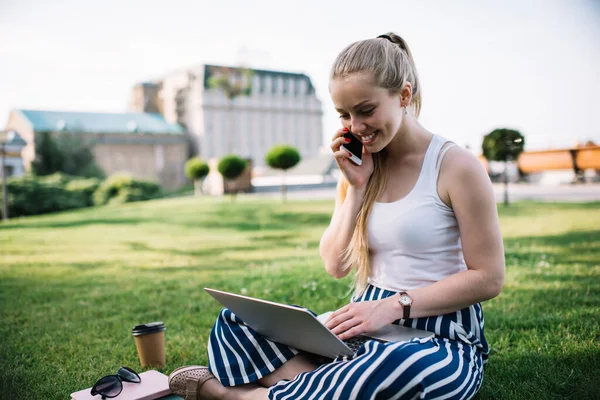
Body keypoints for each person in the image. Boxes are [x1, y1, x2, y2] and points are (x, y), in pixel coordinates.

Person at [168, 32, 505, 400]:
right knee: (235, 322)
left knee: (399, 371)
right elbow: (335, 264)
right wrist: (357, 188)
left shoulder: (456, 167)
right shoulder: (358, 165)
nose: (356, 127)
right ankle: (326, 384)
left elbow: (488, 278)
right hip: (362, 330)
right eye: (344, 115)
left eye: (366, 110)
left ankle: (235, 396)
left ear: (403, 96)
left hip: (437, 338)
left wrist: (393, 307)